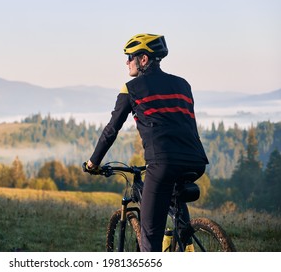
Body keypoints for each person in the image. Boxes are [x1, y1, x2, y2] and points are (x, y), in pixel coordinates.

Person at [85, 33, 209, 252]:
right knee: (172, 194)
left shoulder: (131, 88)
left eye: (130, 56)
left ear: (143, 59)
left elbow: (112, 129)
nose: (126, 62)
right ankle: (185, 243)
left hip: (162, 163)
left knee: (149, 237)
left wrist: (93, 163)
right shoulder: (183, 85)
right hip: (196, 161)